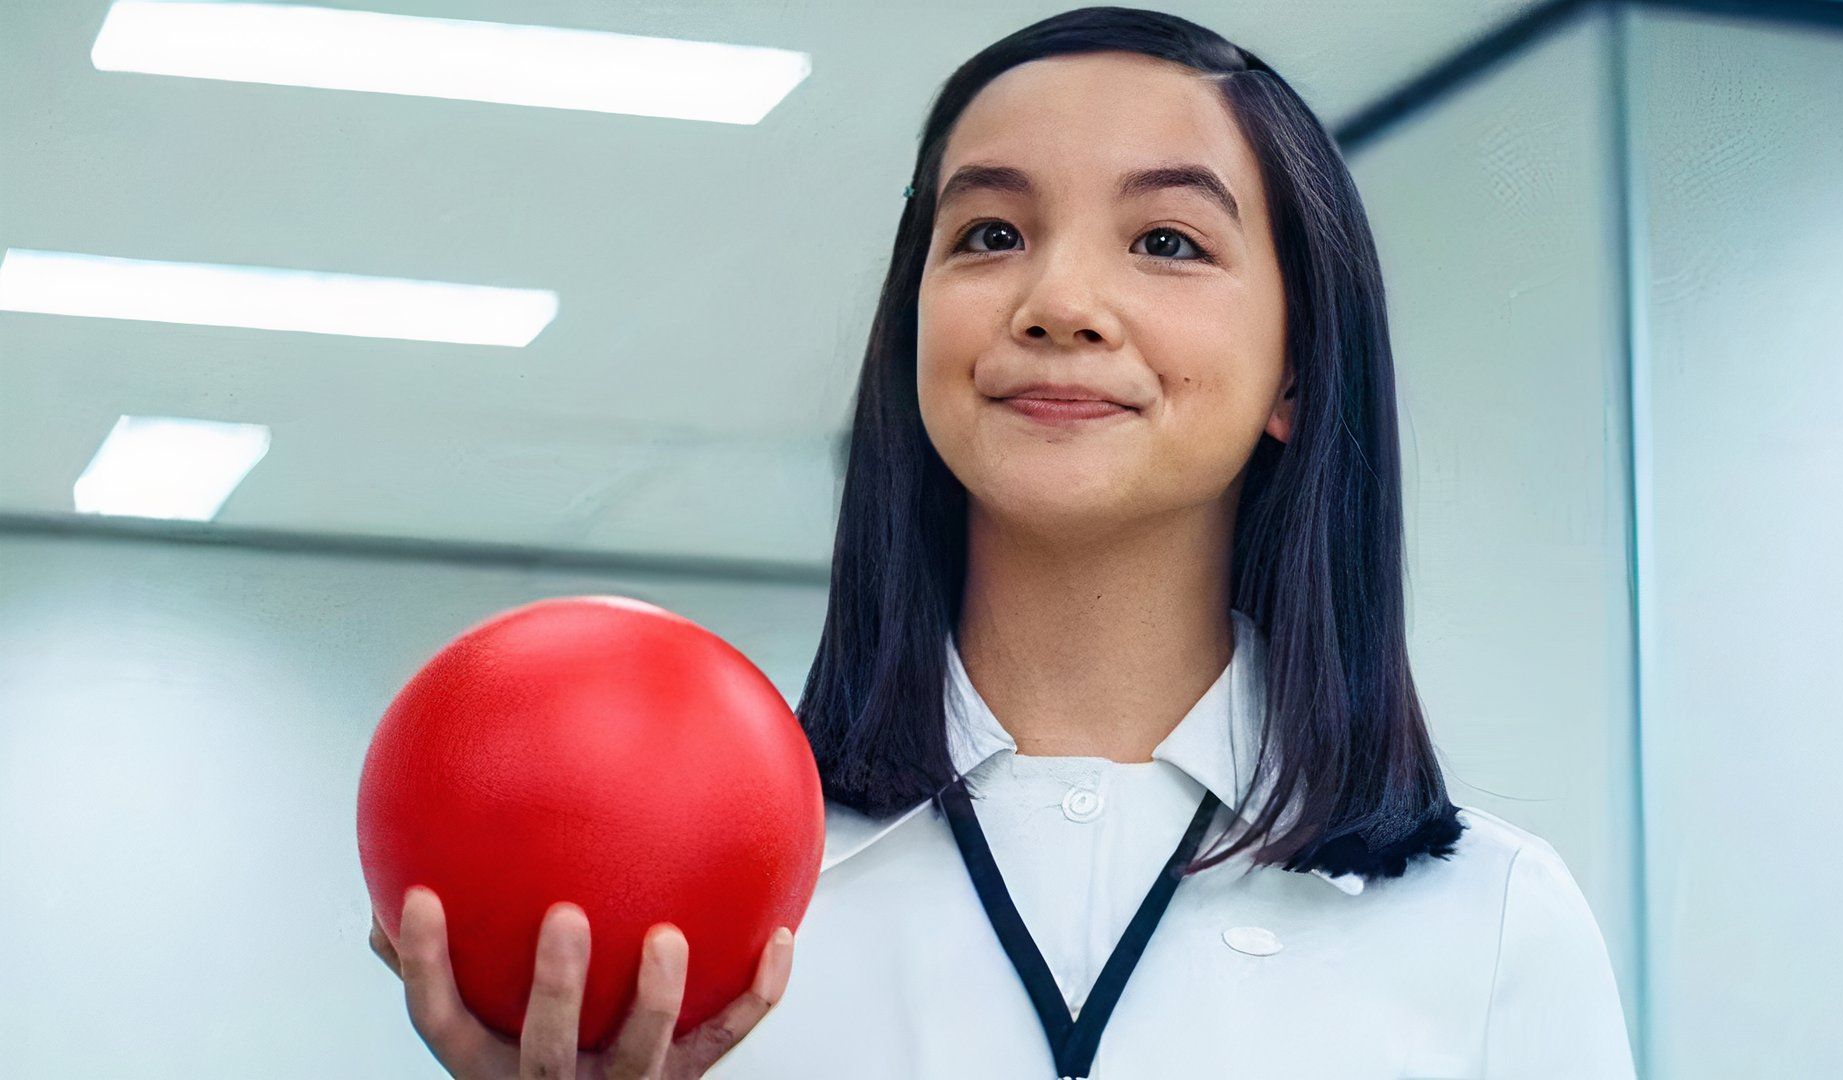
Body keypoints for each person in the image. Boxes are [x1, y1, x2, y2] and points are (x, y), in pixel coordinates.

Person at [376, 6, 1636, 1077]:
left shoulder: (1490, 926)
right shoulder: (700, 918)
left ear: (1295, 376)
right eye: (989, 234)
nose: (1059, 304)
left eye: (1166, 242)